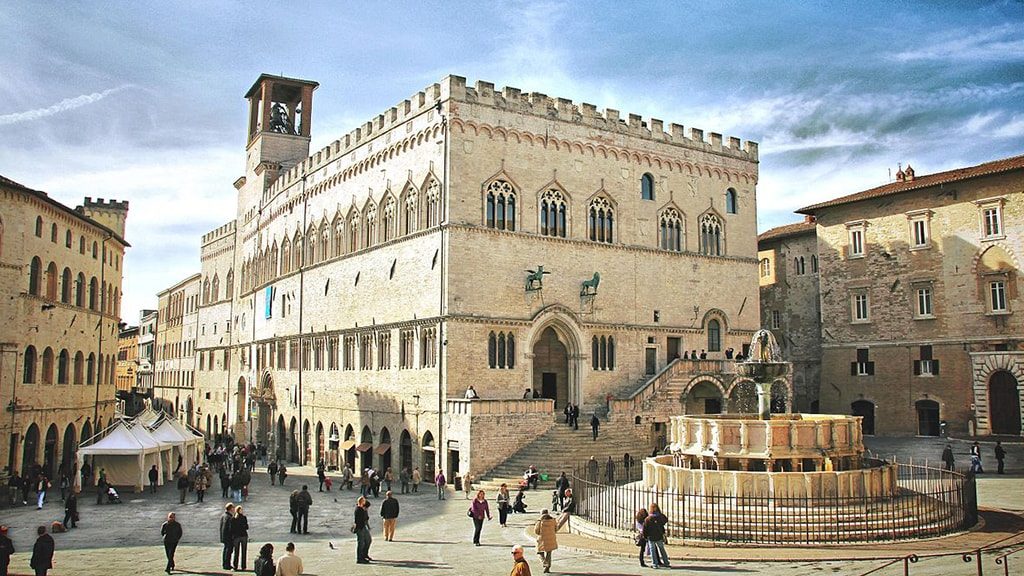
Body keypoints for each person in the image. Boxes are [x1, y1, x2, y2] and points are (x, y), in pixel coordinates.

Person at [643, 502, 670, 568]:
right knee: (662, 549)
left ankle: (655, 564)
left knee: (653, 551)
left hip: (651, 537)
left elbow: (645, 529)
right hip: (659, 535)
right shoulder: (660, 516)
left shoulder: (648, 519)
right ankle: (666, 562)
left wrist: (645, 536)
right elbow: (665, 520)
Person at [533, 509, 558, 573]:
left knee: (539, 552)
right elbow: (556, 529)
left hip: (542, 539)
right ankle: (548, 567)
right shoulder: (553, 520)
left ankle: (544, 562)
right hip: (551, 539)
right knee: (549, 553)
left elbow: (536, 531)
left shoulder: (540, 521)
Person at [354, 496, 372, 564]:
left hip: (363, 527)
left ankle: (364, 554)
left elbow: (366, 518)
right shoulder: (358, 509)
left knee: (368, 540)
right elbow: (359, 520)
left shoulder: (363, 509)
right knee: (361, 543)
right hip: (360, 528)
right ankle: (360, 558)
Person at [232, 506, 250, 571]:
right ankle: (243, 566)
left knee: (236, 552)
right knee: (244, 552)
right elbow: (247, 527)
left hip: (237, 536)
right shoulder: (244, 517)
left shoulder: (234, 518)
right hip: (243, 536)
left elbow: (232, 528)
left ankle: (235, 566)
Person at [220, 503, 236, 570]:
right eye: (233, 508)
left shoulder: (223, 515)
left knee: (225, 550)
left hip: (224, 536)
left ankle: (224, 564)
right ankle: (227, 565)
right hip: (229, 537)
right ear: (231, 509)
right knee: (229, 551)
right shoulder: (230, 517)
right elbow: (231, 528)